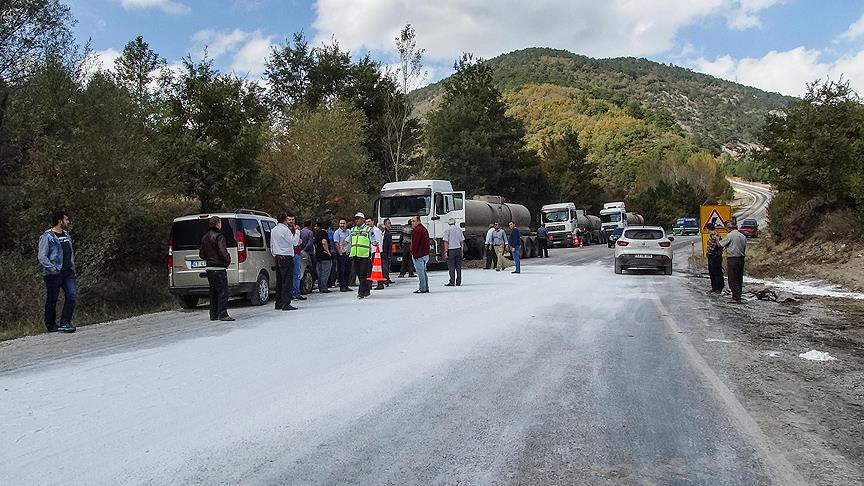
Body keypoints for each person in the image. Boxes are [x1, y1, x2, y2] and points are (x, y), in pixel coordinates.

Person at [37, 210, 77, 333]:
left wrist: (72, 266)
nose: (68, 222)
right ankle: (51, 325)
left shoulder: (66, 235)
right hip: (53, 273)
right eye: (66, 219)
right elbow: (42, 256)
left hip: (68, 272)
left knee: (71, 296)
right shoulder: (47, 236)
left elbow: (70, 252)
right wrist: (52, 268)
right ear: (60, 221)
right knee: (52, 299)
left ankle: (65, 322)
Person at [199, 216, 234, 321]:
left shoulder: (205, 237)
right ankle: (223, 314)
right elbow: (222, 251)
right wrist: (227, 260)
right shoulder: (219, 236)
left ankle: (213, 314)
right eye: (220, 223)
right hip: (219, 267)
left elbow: (201, 254)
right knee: (223, 291)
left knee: (213, 292)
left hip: (209, 268)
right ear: (218, 224)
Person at [271, 213, 300, 311]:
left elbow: (272, 243)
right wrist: (297, 232)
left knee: (279, 281)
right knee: (287, 281)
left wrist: (274, 253)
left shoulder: (274, 230)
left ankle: (278, 303)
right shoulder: (285, 230)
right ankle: (286, 303)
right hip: (286, 256)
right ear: (285, 220)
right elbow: (294, 242)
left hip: (278, 256)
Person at [719, 220, 747, 304]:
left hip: (733, 259)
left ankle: (735, 297)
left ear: (729, 228)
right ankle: (738, 296)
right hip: (741, 258)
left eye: (726, 229)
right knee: (739, 278)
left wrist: (717, 239)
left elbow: (720, 244)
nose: (726, 230)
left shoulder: (730, 235)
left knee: (732, 278)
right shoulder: (742, 236)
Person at [349, 212, 373, 299]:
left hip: (364, 254)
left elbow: (372, 238)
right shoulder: (353, 229)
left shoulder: (368, 229)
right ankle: (366, 290)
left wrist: (374, 243)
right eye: (355, 219)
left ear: (363, 220)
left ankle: (361, 292)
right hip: (355, 254)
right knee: (359, 274)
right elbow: (349, 240)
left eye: (358, 219)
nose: (356, 220)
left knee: (363, 273)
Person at [410, 215, 430, 293]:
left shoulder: (417, 230)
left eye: (414, 221)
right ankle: (426, 287)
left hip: (419, 254)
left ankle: (422, 288)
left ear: (419, 221)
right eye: (412, 221)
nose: (412, 223)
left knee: (420, 273)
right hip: (425, 254)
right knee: (423, 272)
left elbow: (415, 243)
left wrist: (413, 252)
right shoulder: (423, 229)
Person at [288, 216, 306, 301]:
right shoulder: (286, 230)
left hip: (296, 253)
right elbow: (294, 242)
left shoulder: (296, 229)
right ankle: (293, 293)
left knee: (297, 274)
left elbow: (298, 241)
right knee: (292, 274)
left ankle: (296, 292)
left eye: (292, 219)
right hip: (290, 254)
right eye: (289, 220)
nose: (291, 221)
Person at [443, 217, 465, 286]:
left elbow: (446, 242)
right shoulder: (459, 230)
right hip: (458, 249)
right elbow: (462, 241)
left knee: (451, 267)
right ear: (455, 222)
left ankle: (452, 281)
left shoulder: (447, 230)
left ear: (448, 223)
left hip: (451, 250)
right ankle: (458, 281)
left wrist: (446, 251)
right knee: (458, 267)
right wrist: (461, 251)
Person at [333, 217, 352, 292]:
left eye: (343, 223)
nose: (342, 225)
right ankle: (342, 286)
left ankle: (346, 285)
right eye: (341, 223)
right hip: (341, 254)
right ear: (339, 224)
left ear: (346, 224)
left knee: (348, 270)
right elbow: (336, 243)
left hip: (348, 253)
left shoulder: (349, 231)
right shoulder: (337, 232)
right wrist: (340, 252)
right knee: (341, 270)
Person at [705, 222, 725, 294]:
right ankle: (716, 288)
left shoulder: (714, 236)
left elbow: (711, 248)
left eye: (707, 229)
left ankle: (717, 288)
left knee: (715, 272)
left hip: (714, 257)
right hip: (716, 256)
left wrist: (708, 254)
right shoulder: (716, 235)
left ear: (708, 229)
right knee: (714, 272)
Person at [314, 221, 333, 294]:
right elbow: (324, 242)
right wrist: (328, 251)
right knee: (325, 272)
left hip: (318, 255)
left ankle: (320, 287)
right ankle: (324, 288)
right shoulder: (324, 233)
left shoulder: (317, 234)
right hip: (325, 256)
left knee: (320, 273)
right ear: (328, 227)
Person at [375, 220, 394, 290]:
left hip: (385, 253)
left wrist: (390, 254)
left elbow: (390, 245)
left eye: (382, 228)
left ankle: (386, 280)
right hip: (378, 252)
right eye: (379, 228)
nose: (380, 229)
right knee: (379, 268)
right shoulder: (376, 234)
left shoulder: (388, 234)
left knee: (385, 267)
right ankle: (382, 280)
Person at [327, 221, 338, 288]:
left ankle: (328, 282)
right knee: (333, 268)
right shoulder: (333, 233)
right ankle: (332, 282)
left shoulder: (326, 233)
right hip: (333, 251)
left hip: (328, 251)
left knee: (328, 268)